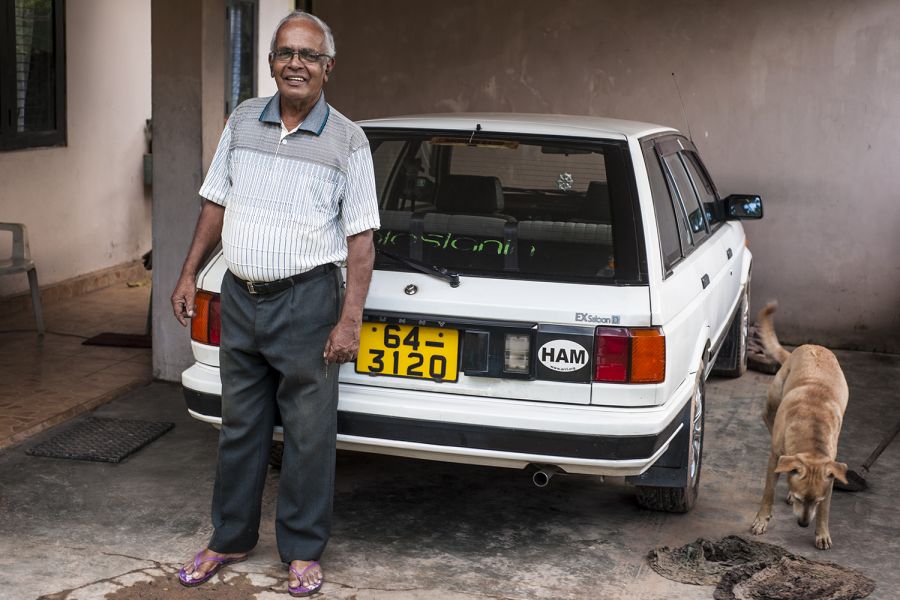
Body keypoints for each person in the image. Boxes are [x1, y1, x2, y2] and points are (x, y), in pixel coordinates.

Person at [170, 10, 379, 597]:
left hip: (308, 302)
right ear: (270, 63)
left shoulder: (348, 140)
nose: (295, 63)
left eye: (308, 55)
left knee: (310, 435)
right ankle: (230, 536)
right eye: (286, 53)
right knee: (241, 428)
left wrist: (349, 320)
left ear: (327, 68)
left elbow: (361, 241)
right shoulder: (241, 121)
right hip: (240, 297)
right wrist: (188, 274)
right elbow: (214, 203)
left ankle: (303, 550)